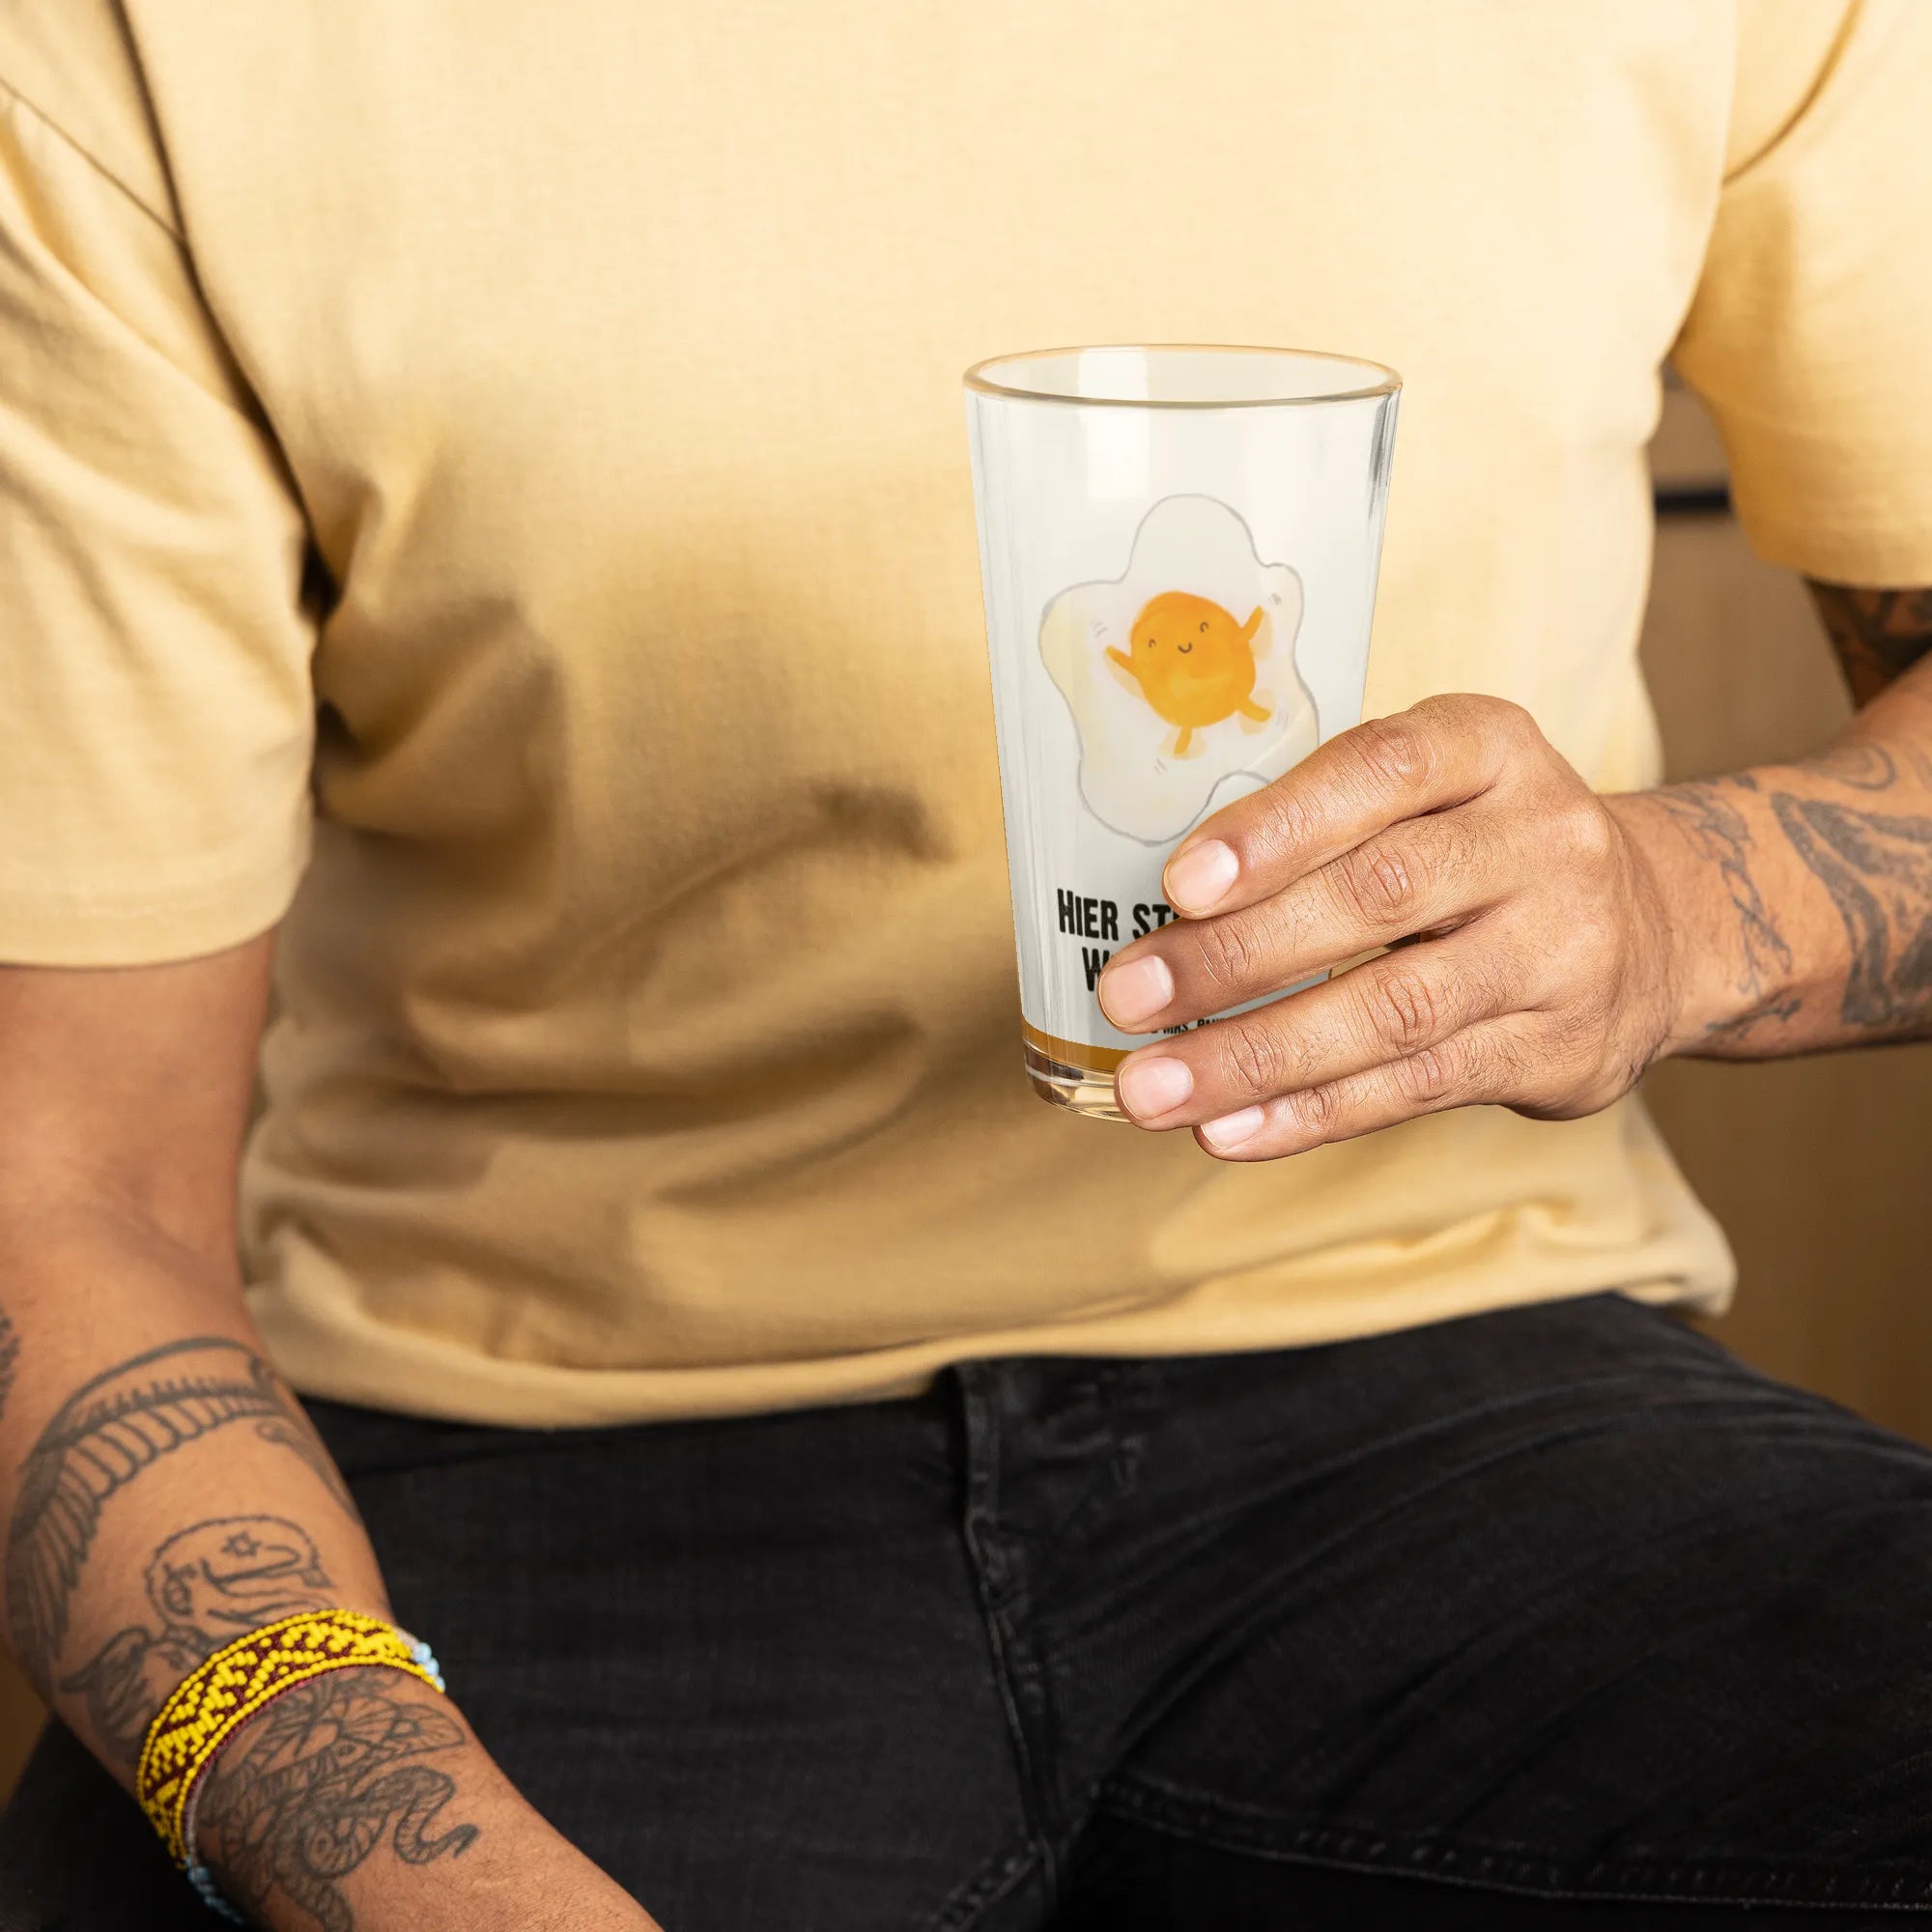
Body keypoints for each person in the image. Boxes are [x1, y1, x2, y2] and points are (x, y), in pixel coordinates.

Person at [0, 2, 1929, 1926]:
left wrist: (1672, 905)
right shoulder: (145, 47)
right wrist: (409, 1859)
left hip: (1472, 1361)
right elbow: (66, 1182)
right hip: (512, 1437)